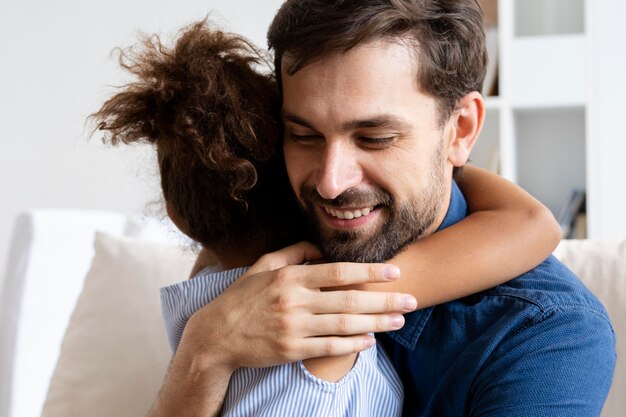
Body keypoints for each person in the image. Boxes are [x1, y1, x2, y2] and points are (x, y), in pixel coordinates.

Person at [95, 1, 614, 416]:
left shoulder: (545, 336)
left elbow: (531, 224)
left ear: (461, 131)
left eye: (376, 137)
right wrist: (203, 355)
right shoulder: (270, 230)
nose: (329, 181)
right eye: (303, 135)